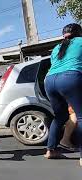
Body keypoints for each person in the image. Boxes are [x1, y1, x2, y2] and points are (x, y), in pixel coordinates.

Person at [43, 23, 82, 166]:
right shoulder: (80, 41)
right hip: (70, 77)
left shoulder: (57, 48)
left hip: (49, 81)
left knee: (60, 116)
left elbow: (56, 64)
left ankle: (50, 150)